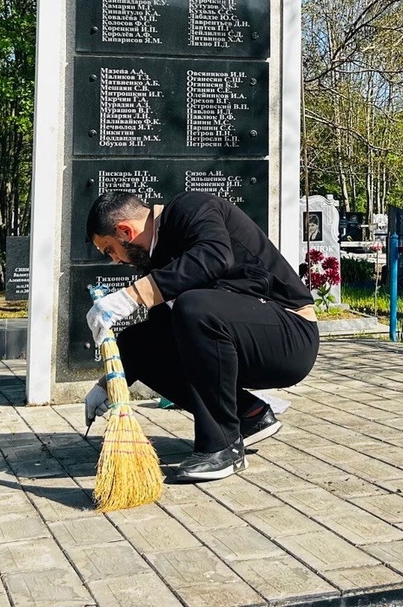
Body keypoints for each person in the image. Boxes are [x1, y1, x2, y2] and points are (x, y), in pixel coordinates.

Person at [84, 191, 320, 482]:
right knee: (138, 342)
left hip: (290, 335)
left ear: (125, 231)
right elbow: (164, 335)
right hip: (243, 341)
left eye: (110, 250)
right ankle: (249, 415)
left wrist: (132, 296)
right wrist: (107, 384)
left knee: (194, 307)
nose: (115, 260)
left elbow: (215, 256)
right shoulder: (156, 260)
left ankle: (223, 448)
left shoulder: (191, 207)